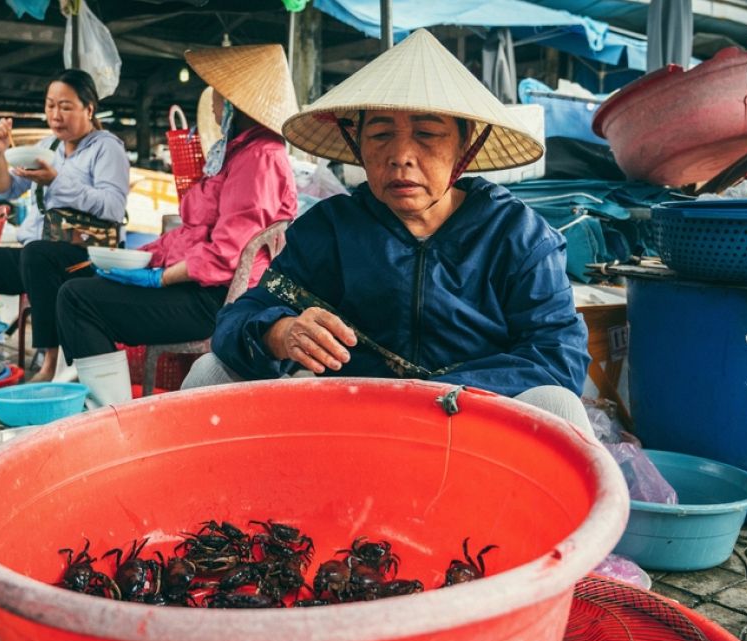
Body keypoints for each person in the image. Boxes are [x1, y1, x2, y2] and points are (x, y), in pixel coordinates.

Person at [185, 30, 594, 434]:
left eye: (427, 134)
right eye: (380, 135)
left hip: (471, 421)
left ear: (464, 146)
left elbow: (558, 357)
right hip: (349, 418)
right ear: (357, 143)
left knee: (559, 404)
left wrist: (435, 396)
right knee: (211, 371)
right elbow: (239, 317)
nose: (400, 157)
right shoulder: (331, 227)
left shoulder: (518, 236)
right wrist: (279, 332)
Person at [52, 44, 299, 405]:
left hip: (222, 302)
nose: (212, 104)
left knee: (77, 300)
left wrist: (159, 278)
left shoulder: (260, 157)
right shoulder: (238, 152)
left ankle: (114, 417)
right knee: (81, 287)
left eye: (216, 94)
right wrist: (144, 257)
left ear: (233, 102)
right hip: (204, 289)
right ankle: (110, 409)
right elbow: (193, 232)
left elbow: (227, 255)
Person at [0, 69, 129, 377]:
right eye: (50, 105)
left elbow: (112, 207)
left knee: (37, 254)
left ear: (89, 109)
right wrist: (1, 153)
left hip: (84, 258)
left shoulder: (106, 147)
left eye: (65, 106)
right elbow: (6, 188)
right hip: (36, 256)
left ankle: (50, 363)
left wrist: (58, 180)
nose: (56, 115)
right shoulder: (48, 147)